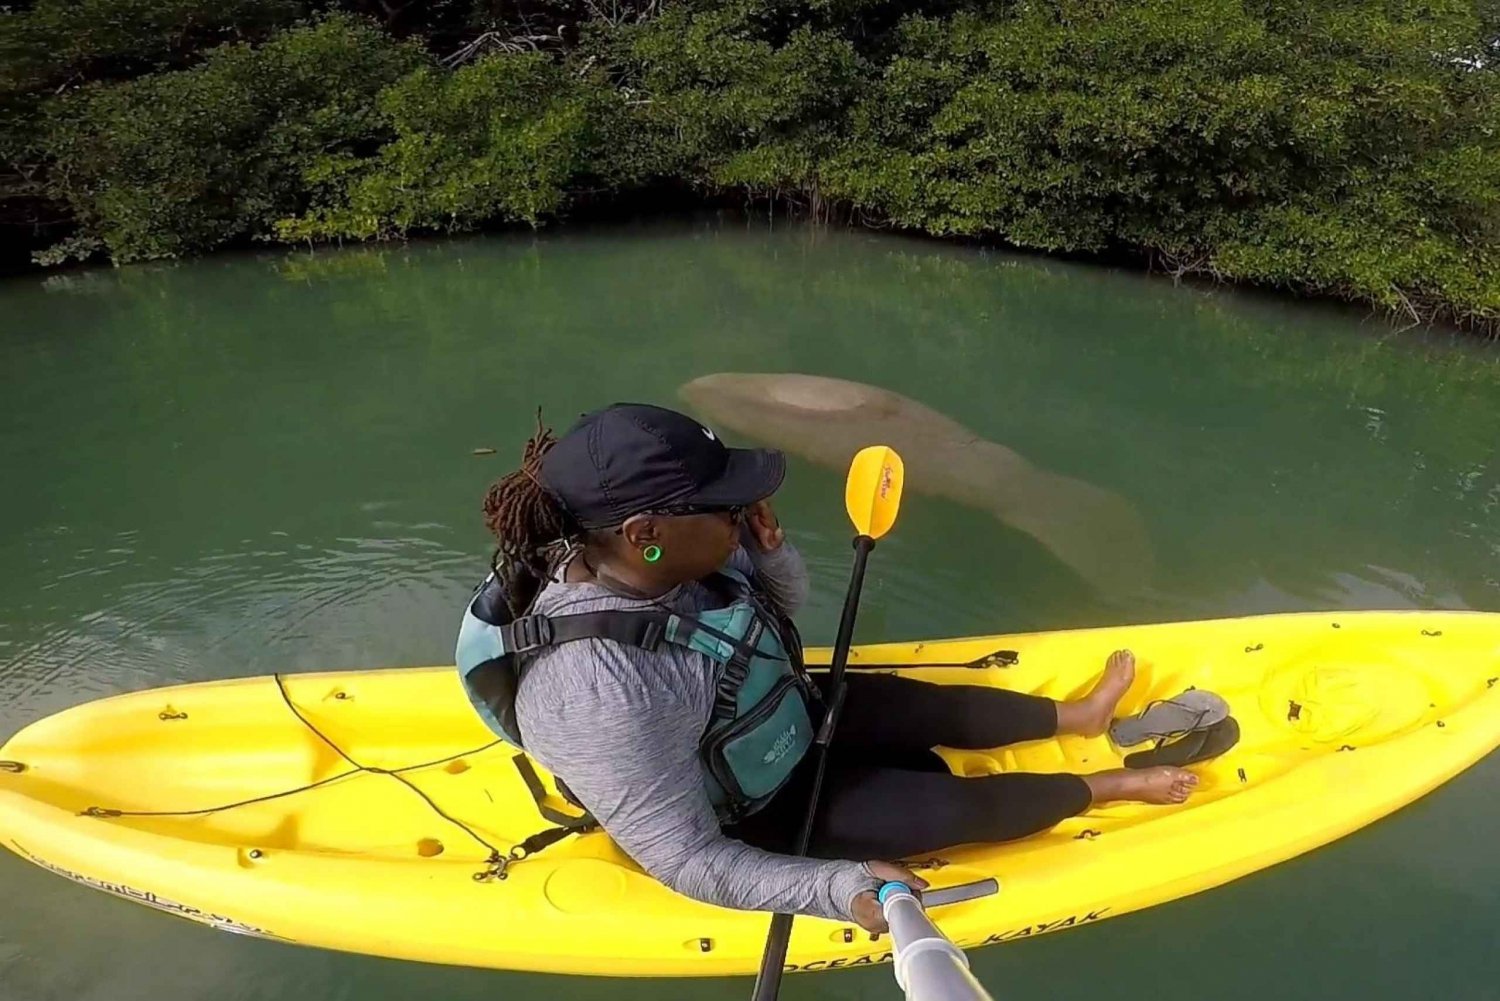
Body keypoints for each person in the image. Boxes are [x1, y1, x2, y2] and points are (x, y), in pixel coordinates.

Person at [455, 403, 1197, 933]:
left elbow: (781, 610)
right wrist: (834, 888)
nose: (745, 508)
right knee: (951, 811)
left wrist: (770, 553)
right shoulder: (598, 690)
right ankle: (1106, 784)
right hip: (753, 807)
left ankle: (1080, 717)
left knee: (928, 708)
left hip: (783, 705)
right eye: (724, 502)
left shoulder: (672, 551)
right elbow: (688, 859)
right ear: (643, 532)